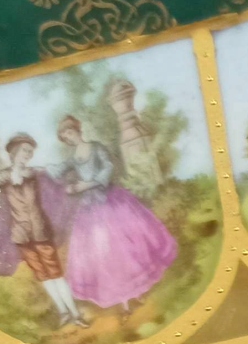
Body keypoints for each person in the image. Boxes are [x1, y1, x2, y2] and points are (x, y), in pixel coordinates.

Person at [56, 115, 178, 313]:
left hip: (110, 201)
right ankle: (125, 303)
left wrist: (87, 184)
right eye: (65, 137)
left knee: (123, 247)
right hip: (89, 209)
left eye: (69, 132)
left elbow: (108, 168)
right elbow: (58, 172)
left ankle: (136, 293)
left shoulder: (95, 147)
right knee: (103, 255)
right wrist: (69, 186)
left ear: (77, 129)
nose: (69, 137)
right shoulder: (73, 158)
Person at [0, 132, 80, 326]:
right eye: (25, 151)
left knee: (55, 272)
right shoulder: (3, 176)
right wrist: (13, 174)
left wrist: (21, 173)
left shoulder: (32, 174)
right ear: (15, 152)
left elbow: (35, 173)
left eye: (30, 152)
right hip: (21, 235)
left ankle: (75, 314)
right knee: (42, 275)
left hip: (40, 231)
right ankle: (64, 312)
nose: (28, 155)